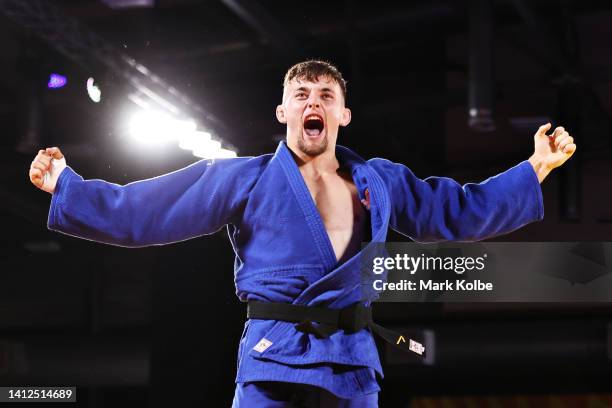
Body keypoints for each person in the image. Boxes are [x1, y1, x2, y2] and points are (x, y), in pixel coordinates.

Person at [29, 60, 576, 407]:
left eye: (326, 95)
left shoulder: (379, 181)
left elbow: (458, 211)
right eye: (303, 93)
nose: (314, 101)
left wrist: (535, 169)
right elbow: (145, 211)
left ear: (343, 114)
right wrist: (68, 188)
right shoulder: (242, 179)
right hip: (273, 356)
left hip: (352, 359)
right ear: (284, 110)